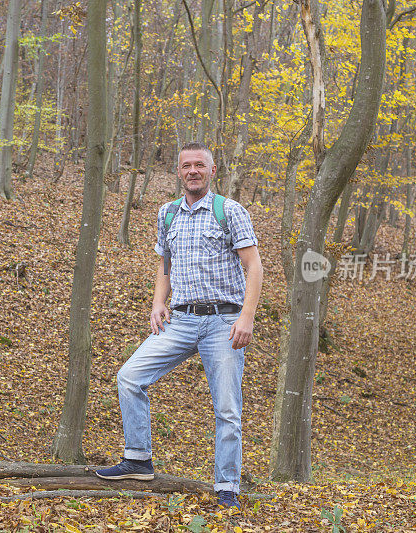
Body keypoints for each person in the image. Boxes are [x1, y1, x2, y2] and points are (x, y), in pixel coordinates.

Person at [96, 141, 263, 510]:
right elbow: (164, 264)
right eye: (186, 165)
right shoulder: (167, 214)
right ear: (178, 172)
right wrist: (158, 302)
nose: (192, 171)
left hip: (224, 321)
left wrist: (246, 316)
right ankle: (138, 459)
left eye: (199, 165)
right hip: (181, 320)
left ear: (212, 171)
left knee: (227, 409)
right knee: (130, 376)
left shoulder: (229, 211)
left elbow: (254, 267)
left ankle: (226, 487)